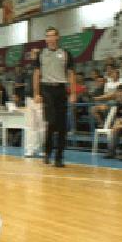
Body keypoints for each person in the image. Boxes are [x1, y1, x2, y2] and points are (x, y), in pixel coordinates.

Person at [34, 26, 77, 167]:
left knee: (62, 125)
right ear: (46, 39)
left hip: (61, 89)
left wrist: (73, 92)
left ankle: (59, 157)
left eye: (53, 35)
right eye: (48, 36)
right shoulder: (41, 54)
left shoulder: (65, 53)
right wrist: (36, 93)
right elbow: (36, 74)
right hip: (47, 89)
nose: (50, 38)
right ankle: (47, 152)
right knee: (51, 122)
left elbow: (71, 74)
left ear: (57, 37)